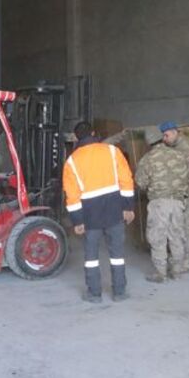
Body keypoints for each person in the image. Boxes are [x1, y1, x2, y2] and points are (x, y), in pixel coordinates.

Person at [62, 121, 135, 303]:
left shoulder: (72, 161)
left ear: (76, 137)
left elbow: (72, 196)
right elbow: (126, 180)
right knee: (117, 254)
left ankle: (94, 294)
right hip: (114, 211)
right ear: (94, 133)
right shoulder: (112, 151)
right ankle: (119, 292)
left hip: (90, 215)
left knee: (91, 257)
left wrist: (77, 221)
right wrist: (128, 207)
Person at [135, 126, 189, 282]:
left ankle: (160, 273)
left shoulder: (147, 159)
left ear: (149, 142)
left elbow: (140, 183)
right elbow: (188, 177)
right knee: (177, 235)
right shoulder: (179, 156)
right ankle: (177, 270)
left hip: (159, 203)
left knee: (158, 237)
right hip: (178, 202)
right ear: (162, 138)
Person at [158, 121, 189, 271]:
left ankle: (186, 260)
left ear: (174, 132)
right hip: (188, 191)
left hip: (188, 192)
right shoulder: (178, 145)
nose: (164, 139)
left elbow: (181, 173)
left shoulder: (183, 148)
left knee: (185, 227)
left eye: (166, 135)